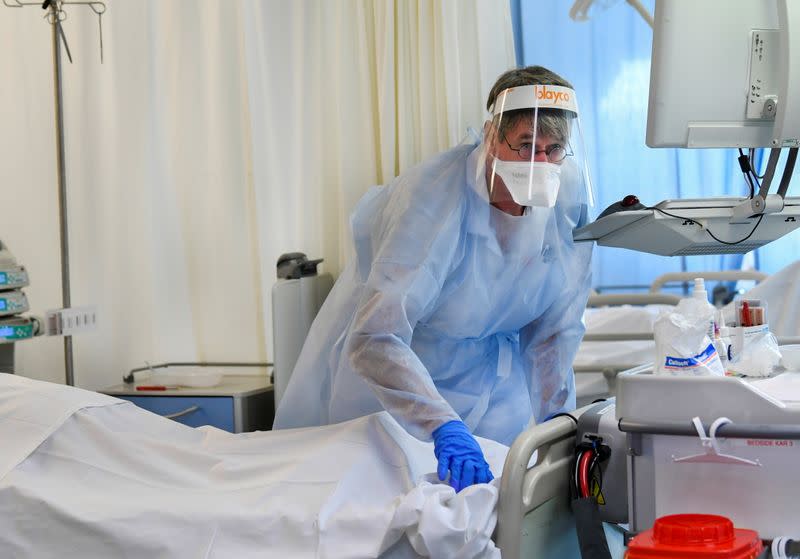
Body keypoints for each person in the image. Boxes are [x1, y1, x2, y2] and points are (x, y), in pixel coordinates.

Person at [274, 65, 594, 492]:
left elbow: (554, 334)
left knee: (507, 520)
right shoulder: (433, 199)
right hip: (400, 403)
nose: (540, 164)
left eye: (553, 150)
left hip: (496, 399)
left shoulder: (567, 198)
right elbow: (375, 337)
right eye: (525, 146)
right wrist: (443, 427)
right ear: (491, 135)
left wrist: (559, 428)